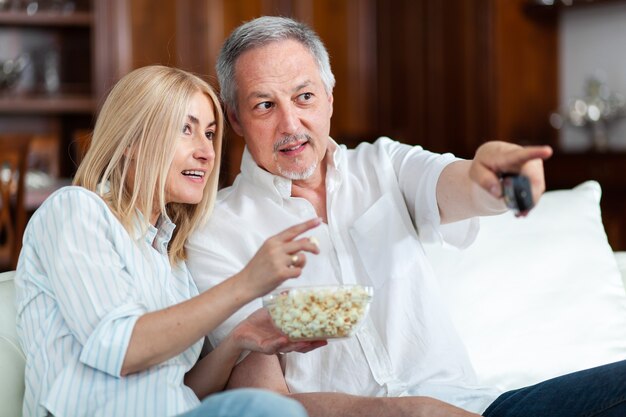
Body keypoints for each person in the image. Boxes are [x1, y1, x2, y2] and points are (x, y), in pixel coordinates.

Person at [186, 15, 626, 417]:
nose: (290, 123)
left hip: (478, 409)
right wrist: (405, 412)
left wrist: (493, 176)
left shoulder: (383, 164)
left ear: (329, 98)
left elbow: (462, 186)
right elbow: (268, 404)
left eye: (304, 97)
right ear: (236, 119)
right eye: (264, 105)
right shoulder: (216, 233)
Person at [14, 65, 326, 417]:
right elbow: (122, 350)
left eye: (209, 134)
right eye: (185, 129)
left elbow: (180, 389)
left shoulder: (170, 256)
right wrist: (246, 284)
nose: (206, 152)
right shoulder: (75, 211)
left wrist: (241, 337)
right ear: (131, 140)